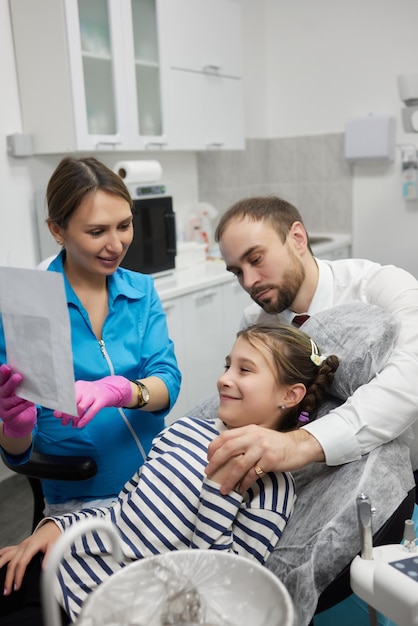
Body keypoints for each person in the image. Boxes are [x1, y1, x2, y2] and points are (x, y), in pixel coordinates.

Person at [0, 322, 339, 625]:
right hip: (61, 564)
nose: (224, 378)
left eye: (245, 370)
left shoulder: (272, 487)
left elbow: (220, 593)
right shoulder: (184, 430)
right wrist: (56, 528)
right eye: (227, 365)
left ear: (289, 395)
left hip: (103, 606)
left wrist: (220, 491)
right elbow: (120, 512)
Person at [0, 156, 181, 516]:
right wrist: (15, 426)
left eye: (125, 225)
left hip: (156, 482)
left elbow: (168, 383)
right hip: (81, 501)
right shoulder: (26, 307)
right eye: (97, 232)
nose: (116, 244)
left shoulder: (140, 290)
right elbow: (17, 451)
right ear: (57, 231)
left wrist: (124, 390)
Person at [205, 195, 418, 496]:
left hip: (402, 476)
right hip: (311, 488)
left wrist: (302, 443)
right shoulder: (258, 322)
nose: (250, 281)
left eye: (256, 259)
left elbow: (411, 378)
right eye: (237, 271)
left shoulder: (382, 287)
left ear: (297, 238)